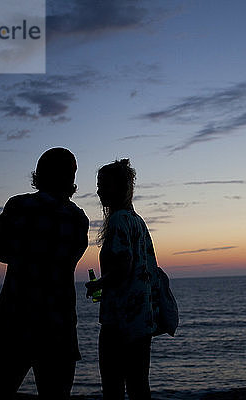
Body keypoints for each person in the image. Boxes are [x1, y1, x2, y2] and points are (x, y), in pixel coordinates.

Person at [0, 148, 89, 400]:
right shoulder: (78, 219)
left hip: (14, 323)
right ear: (71, 178)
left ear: (39, 174)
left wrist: (24, 255)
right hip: (59, 328)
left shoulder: (18, 206)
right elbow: (70, 259)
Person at [85, 159, 160, 400]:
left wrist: (98, 284)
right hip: (141, 318)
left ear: (120, 188)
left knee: (113, 387)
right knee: (139, 386)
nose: (99, 191)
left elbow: (123, 267)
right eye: (98, 185)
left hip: (120, 319)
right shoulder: (137, 221)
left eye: (104, 185)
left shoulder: (118, 220)